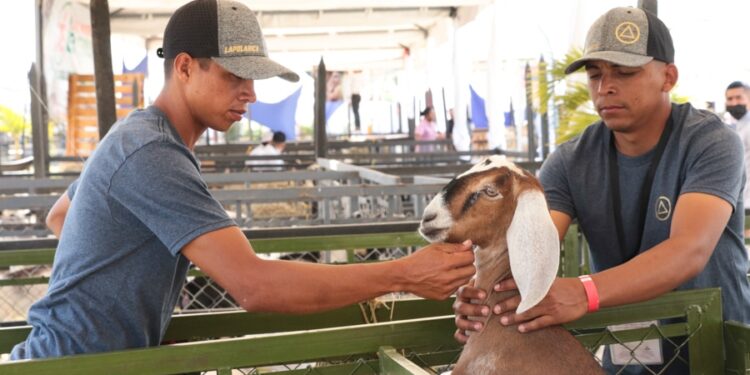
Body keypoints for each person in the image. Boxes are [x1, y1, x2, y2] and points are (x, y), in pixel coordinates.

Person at [9, 0, 475, 360]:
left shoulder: (138, 133)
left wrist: (127, 304)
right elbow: (255, 287)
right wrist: (404, 273)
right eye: (235, 76)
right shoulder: (153, 151)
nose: (250, 93)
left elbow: (63, 214)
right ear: (185, 66)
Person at [453, 7, 750, 374]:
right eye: (595, 75)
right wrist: (483, 296)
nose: (605, 87)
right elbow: (529, 246)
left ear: (668, 77)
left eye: (625, 73)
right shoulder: (569, 160)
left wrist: (583, 291)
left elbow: (689, 250)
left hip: (716, 353)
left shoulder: (710, 142)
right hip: (624, 358)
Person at [725, 81, 750, 239]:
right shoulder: (733, 127)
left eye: (739, 97)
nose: (734, 103)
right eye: (730, 99)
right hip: (740, 201)